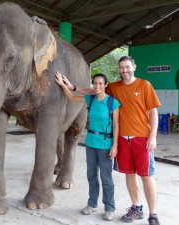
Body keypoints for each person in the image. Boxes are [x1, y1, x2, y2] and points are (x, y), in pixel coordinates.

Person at [59, 56, 161, 225]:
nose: (125, 70)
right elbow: (94, 91)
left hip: (142, 138)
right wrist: (72, 86)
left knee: (146, 176)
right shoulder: (113, 87)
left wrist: (153, 136)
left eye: (127, 67)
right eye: (121, 67)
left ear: (134, 67)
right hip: (123, 139)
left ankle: (153, 214)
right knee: (130, 174)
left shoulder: (145, 85)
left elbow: (153, 112)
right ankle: (136, 208)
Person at [55, 72, 120, 221]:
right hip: (91, 142)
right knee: (91, 175)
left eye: (100, 84)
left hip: (105, 144)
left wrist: (114, 146)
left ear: (106, 85)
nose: (97, 86)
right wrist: (63, 84)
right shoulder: (90, 99)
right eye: (95, 83)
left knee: (106, 178)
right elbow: (71, 97)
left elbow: (116, 126)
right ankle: (92, 204)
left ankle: (109, 207)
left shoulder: (112, 102)